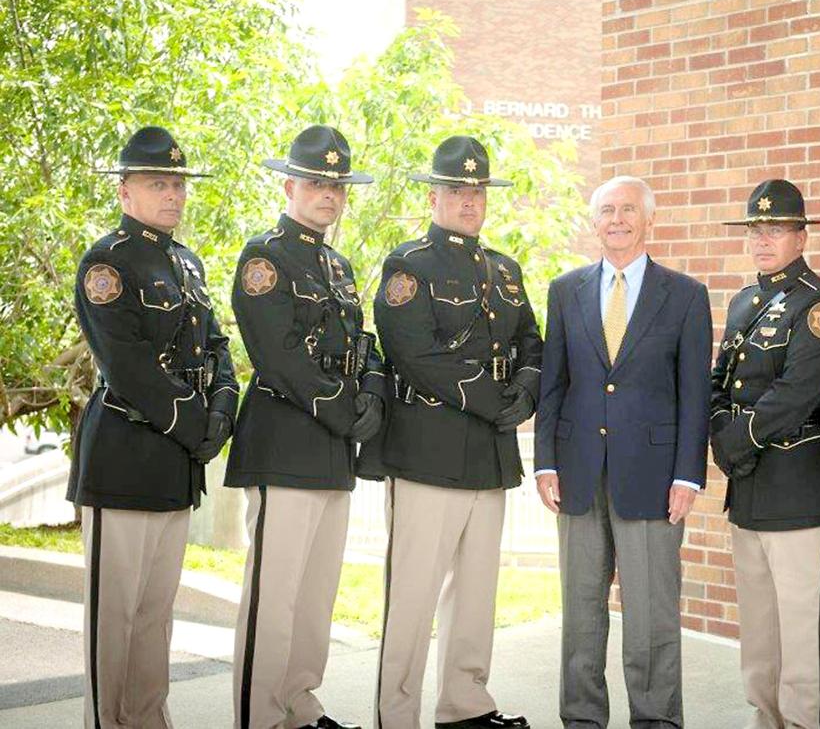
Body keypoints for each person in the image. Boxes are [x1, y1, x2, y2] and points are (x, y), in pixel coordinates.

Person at [363, 135, 541, 729]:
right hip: (427, 451)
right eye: (457, 190)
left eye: (478, 190)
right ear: (434, 195)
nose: (469, 200)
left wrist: (527, 390)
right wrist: (496, 400)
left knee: (475, 591)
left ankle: (465, 705)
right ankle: (398, 714)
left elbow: (531, 344)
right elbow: (415, 353)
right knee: (412, 596)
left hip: (488, 454)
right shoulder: (409, 265)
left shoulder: (504, 269)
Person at [72, 125, 238, 728]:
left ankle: (147, 719)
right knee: (112, 615)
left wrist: (224, 410)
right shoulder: (106, 264)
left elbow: (215, 347)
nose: (172, 194)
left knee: (154, 614)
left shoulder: (186, 264)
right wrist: (198, 426)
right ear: (124, 191)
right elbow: (130, 367)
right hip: (123, 456)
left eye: (176, 183)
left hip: (174, 462)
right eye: (157, 183)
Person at [534, 175, 712, 729]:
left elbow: (694, 396)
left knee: (652, 615)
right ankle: (582, 719)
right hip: (578, 474)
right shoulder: (566, 290)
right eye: (607, 210)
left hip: (655, 479)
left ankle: (656, 720)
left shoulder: (684, 295)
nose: (617, 219)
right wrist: (545, 461)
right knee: (581, 614)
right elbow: (554, 384)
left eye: (628, 210)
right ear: (594, 221)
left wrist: (689, 475)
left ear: (648, 219)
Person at [225, 125, 384, 729]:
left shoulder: (337, 264)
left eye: (338, 185)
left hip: (331, 451)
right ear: (289, 184)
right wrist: (349, 409)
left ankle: (300, 707)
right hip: (284, 443)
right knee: (276, 598)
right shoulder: (265, 256)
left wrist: (371, 388)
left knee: (316, 598)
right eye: (318, 181)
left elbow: (360, 342)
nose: (329, 193)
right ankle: (259, 717)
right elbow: (278, 355)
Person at [709, 180, 820, 729]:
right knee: (760, 640)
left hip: (801, 489)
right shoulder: (746, 299)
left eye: (775, 229)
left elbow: (797, 393)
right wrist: (722, 429)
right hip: (749, 492)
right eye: (755, 229)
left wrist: (734, 441)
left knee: (802, 641)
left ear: (800, 235)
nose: (763, 239)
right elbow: (719, 380)